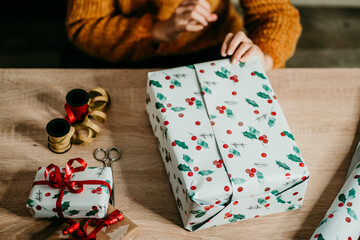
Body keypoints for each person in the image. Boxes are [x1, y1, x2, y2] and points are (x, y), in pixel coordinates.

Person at [64, 0, 301, 70]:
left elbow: (276, 13)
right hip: (119, 54)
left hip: (215, 50)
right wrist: (158, 30)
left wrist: (264, 56)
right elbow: (83, 26)